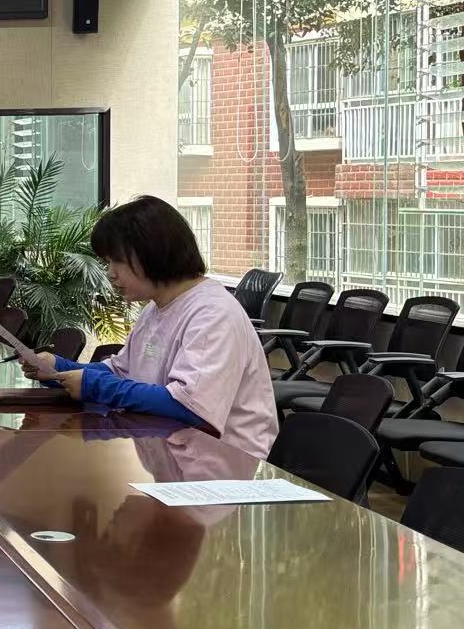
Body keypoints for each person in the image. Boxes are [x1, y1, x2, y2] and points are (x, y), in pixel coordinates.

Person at [24, 195, 278, 459]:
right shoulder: (155, 309)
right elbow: (122, 371)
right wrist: (58, 368)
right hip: (170, 455)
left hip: (222, 464)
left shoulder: (212, 313)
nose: (110, 273)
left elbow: (189, 407)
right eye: (108, 262)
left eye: (117, 261)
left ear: (154, 253)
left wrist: (95, 386)